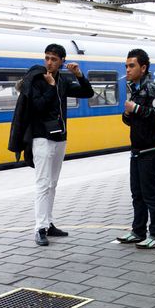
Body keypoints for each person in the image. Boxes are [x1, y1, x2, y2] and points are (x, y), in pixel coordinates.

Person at [27, 43, 94, 246]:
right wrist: (50, 87)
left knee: (53, 183)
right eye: (47, 58)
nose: (49, 62)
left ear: (62, 61)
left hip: (59, 137)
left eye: (54, 59)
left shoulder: (63, 80)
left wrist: (79, 75)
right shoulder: (38, 79)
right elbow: (36, 107)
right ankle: (39, 228)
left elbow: (87, 93)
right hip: (41, 138)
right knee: (42, 183)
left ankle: (48, 224)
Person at [116, 48, 155, 249]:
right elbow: (131, 119)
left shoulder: (152, 88)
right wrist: (128, 114)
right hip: (137, 149)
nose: (127, 70)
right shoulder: (135, 89)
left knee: (150, 194)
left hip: (151, 150)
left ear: (143, 67)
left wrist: (135, 109)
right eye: (126, 66)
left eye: (132, 66)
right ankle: (138, 231)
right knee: (137, 193)